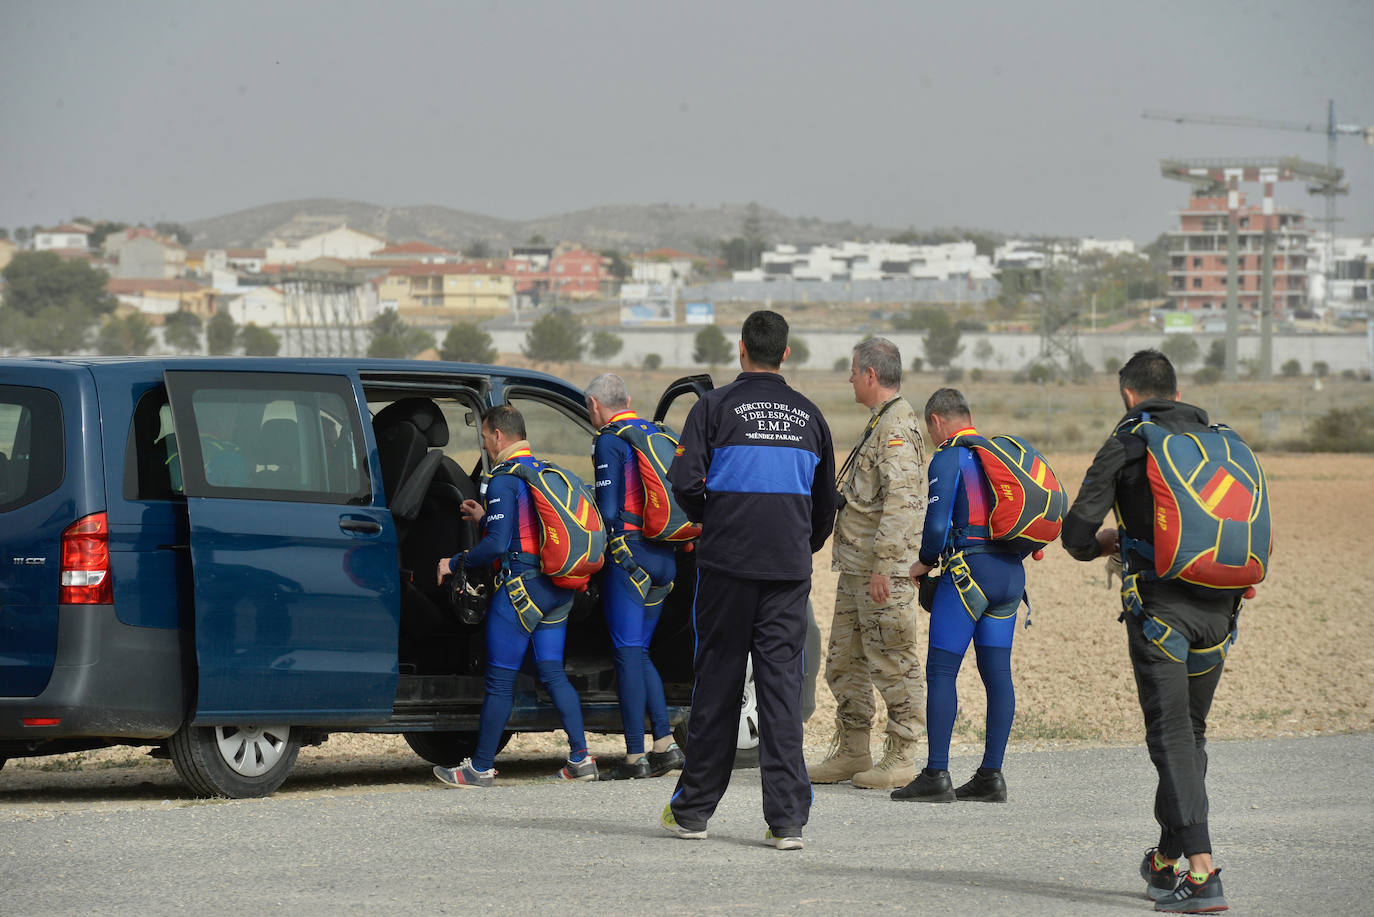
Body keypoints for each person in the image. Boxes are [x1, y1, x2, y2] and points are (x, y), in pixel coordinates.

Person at [1060, 350, 1234, 912]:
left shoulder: (1131, 438)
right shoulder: (1216, 439)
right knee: (1191, 733)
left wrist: (1108, 542)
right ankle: (1166, 862)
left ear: (1128, 393)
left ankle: (1203, 872)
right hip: (1222, 608)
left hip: (1161, 608)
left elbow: (1078, 534)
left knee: (1171, 735)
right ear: (1177, 391)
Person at [660, 310, 836, 850]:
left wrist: (719, 519)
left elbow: (685, 482)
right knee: (781, 691)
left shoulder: (712, 407)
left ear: (742, 351)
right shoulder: (811, 416)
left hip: (727, 568)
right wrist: (795, 546)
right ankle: (786, 823)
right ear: (785, 354)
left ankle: (692, 813)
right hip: (786, 572)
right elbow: (826, 506)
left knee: (718, 683)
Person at [432, 405, 597, 787]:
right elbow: (524, 526)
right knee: (553, 672)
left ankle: (480, 767)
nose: (486, 445)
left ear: (499, 437)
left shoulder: (505, 478)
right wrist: (484, 516)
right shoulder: (542, 471)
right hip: (558, 588)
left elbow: (495, 547)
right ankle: (581, 759)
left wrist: (453, 561)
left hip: (523, 590)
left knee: (499, 681)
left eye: (486, 437)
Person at [891, 388, 1024, 805]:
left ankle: (936, 774)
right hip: (1010, 577)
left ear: (935, 421)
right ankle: (991, 776)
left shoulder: (950, 455)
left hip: (970, 574)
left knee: (942, 671)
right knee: (997, 675)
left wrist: (924, 563)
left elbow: (934, 529)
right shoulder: (996, 454)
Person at [809, 337, 927, 789]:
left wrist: (885, 566)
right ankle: (854, 748)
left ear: (871, 375)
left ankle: (902, 753)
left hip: (882, 573)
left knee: (892, 660)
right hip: (858, 567)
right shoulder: (880, 422)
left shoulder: (896, 428)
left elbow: (902, 502)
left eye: (854, 371)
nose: (851, 379)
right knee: (845, 660)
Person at [585, 372, 686, 780]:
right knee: (640, 651)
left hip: (630, 558)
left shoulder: (610, 440)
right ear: (626, 398)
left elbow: (609, 511)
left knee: (626, 653)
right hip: (665, 559)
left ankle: (633, 757)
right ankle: (663, 745)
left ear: (594, 405)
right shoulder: (656, 433)